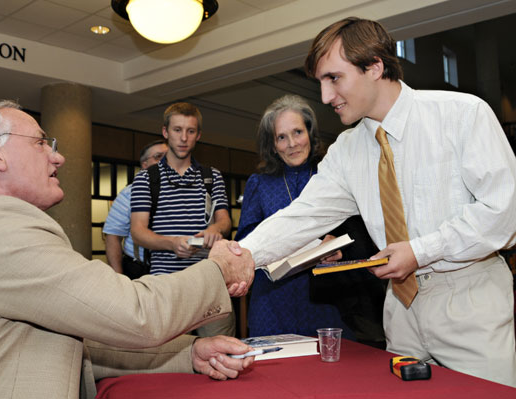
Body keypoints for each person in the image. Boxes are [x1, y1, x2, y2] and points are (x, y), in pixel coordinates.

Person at [239, 17, 516, 387]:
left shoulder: (462, 114)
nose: (324, 97)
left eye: (333, 78)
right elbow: (302, 216)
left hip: (470, 300)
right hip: (399, 308)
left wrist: (420, 251)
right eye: (320, 82)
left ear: (374, 66)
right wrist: (237, 257)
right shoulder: (346, 150)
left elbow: (504, 212)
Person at [0, 100, 256, 399]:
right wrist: (219, 269)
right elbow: (134, 314)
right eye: (40, 143)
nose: (58, 157)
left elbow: (73, 341)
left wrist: (189, 353)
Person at [236, 94, 354, 339]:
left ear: (310, 133)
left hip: (326, 297)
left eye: (298, 132)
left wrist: (339, 245)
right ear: (273, 144)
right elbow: (246, 238)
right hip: (272, 297)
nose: (292, 143)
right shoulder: (259, 183)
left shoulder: (332, 175)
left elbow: (360, 229)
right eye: (281, 137)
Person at [130, 102, 236, 337]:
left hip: (210, 282)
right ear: (166, 132)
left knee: (221, 354)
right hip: (165, 284)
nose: (183, 138)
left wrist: (215, 230)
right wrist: (171, 243)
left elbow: (225, 221)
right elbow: (138, 231)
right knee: (169, 359)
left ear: (198, 135)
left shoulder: (212, 177)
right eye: (177, 130)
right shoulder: (146, 179)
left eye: (190, 131)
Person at [103, 139, 167, 277]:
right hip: (141, 270)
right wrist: (119, 281)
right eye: (158, 157)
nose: (165, 161)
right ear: (145, 165)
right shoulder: (130, 193)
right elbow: (112, 237)